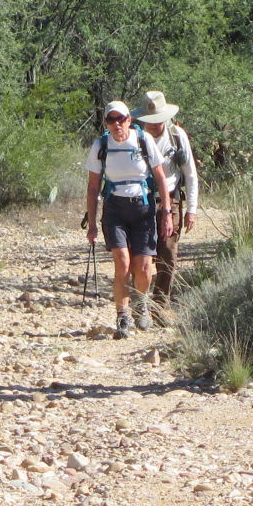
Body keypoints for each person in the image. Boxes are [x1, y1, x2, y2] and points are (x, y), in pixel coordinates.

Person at [84, 100, 173, 339]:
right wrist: (92, 224)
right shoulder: (100, 145)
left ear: (129, 120)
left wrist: (166, 213)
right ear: (106, 123)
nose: (116, 124)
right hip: (115, 209)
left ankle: (140, 305)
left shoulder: (143, 140)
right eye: (111, 120)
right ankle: (122, 316)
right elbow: (93, 187)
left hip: (143, 208)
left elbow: (161, 178)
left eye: (120, 119)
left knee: (143, 268)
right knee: (122, 262)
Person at [135, 90, 200, 316]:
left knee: (168, 253)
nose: (154, 125)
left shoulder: (176, 136)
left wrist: (191, 210)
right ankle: (139, 304)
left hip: (169, 200)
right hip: (140, 200)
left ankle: (159, 307)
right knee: (141, 254)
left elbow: (190, 174)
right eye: (150, 121)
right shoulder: (135, 137)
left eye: (158, 121)